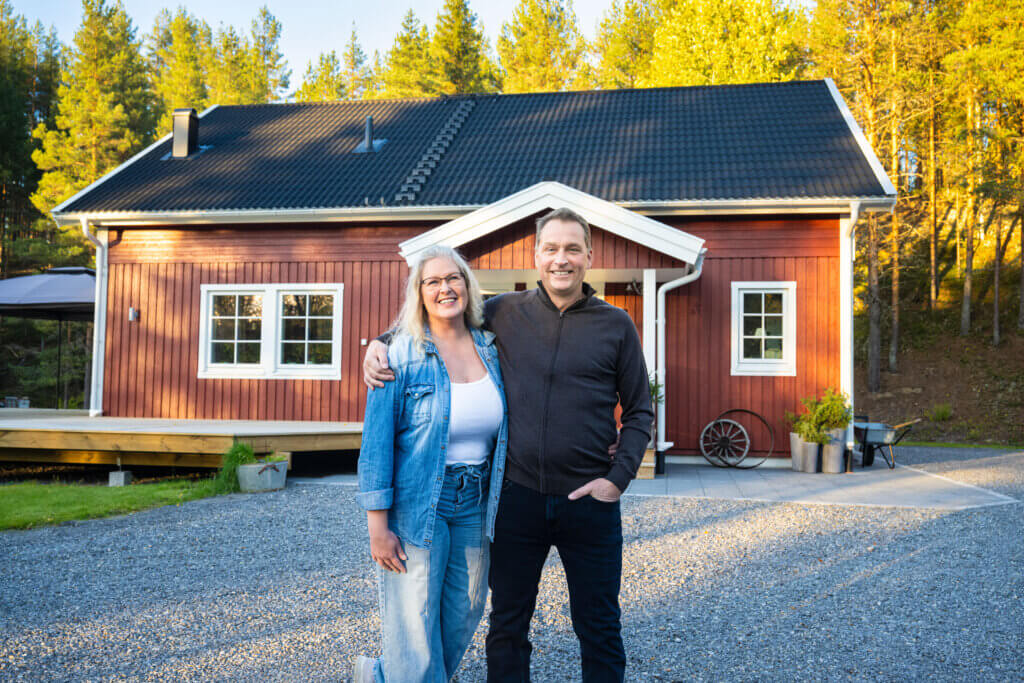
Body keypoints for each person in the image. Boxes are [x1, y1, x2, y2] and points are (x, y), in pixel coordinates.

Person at [364, 208, 653, 682]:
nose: (562, 259)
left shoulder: (616, 324)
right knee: (507, 623)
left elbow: (640, 410)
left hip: (590, 504)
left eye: (572, 249)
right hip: (515, 499)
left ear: (589, 256)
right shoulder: (504, 311)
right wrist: (379, 342)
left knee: (599, 625)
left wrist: (617, 480)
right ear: (536, 255)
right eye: (552, 249)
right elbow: (439, 316)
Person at [354, 245, 508, 683]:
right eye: (433, 281)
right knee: (415, 624)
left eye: (454, 278)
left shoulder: (493, 349)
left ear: (467, 285)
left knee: (465, 611)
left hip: (476, 502)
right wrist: (377, 528)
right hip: (418, 503)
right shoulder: (398, 355)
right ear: (418, 294)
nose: (445, 288)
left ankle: (382, 674)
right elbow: (376, 446)